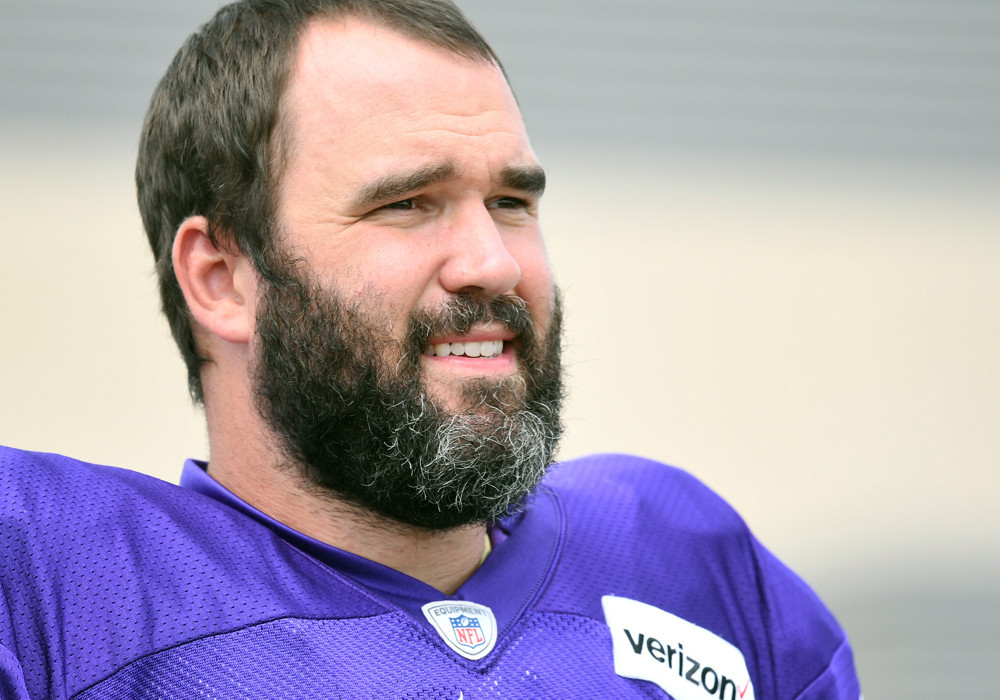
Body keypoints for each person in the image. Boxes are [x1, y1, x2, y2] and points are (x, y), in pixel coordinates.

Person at [0, 1, 861, 697]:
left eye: (512, 201)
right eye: (408, 203)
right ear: (223, 278)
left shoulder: (688, 564)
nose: (493, 262)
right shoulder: (58, 583)